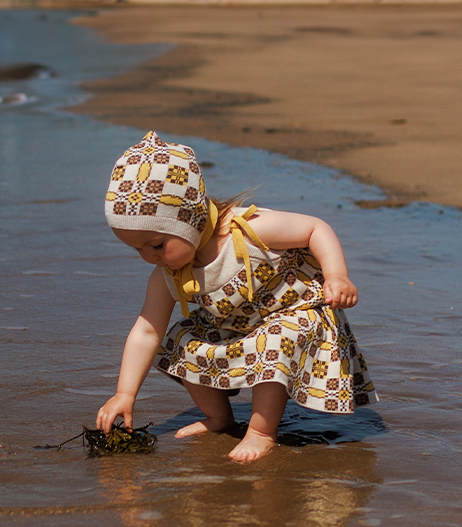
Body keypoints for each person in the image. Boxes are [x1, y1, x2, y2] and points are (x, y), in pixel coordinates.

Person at [96, 131, 377, 462]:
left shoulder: (248, 229)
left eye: (156, 245)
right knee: (181, 338)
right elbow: (146, 331)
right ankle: (219, 418)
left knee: (272, 340)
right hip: (238, 326)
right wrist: (124, 393)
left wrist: (336, 276)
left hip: (297, 317)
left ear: (189, 220)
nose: (149, 257)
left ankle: (261, 431)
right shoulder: (167, 275)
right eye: (137, 249)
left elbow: (315, 228)